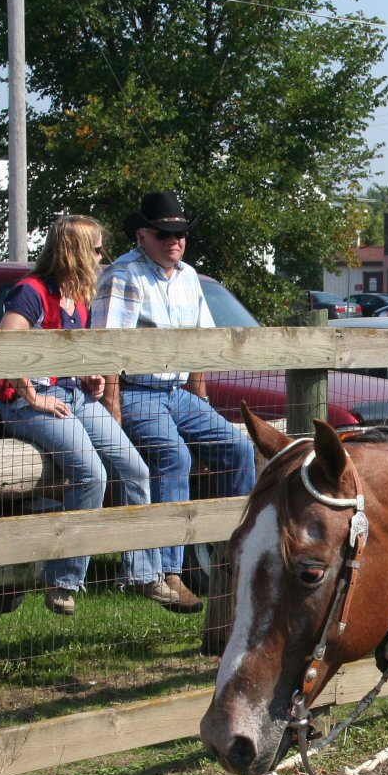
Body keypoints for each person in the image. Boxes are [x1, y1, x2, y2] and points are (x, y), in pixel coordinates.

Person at [0, 214, 185, 617]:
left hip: (71, 394)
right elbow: (6, 346)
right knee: (92, 474)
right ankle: (64, 580)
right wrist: (32, 395)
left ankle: (144, 573)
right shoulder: (30, 292)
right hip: (28, 402)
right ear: (76, 251)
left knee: (135, 469)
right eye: (97, 249)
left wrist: (87, 377)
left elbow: (65, 358)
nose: (103, 256)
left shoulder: (78, 297)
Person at [92, 191, 255, 608]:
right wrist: (114, 407)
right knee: (173, 457)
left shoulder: (189, 277)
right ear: (143, 235)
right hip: (137, 391)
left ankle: (243, 547)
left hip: (177, 393)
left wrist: (201, 399)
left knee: (238, 446)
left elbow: (199, 344)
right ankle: (168, 571)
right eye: (164, 234)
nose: (174, 242)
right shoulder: (124, 275)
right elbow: (107, 347)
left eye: (180, 233)